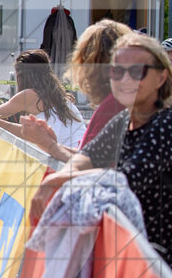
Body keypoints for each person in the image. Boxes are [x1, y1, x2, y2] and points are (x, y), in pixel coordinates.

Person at [30, 33, 172, 264]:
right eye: (117, 71)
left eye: (138, 71)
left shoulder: (165, 124)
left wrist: (56, 180)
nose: (126, 79)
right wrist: (60, 175)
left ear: (161, 77)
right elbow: (87, 156)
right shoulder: (124, 119)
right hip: (137, 260)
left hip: (160, 268)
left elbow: (126, 179)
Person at [21, 19, 132, 161]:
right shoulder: (120, 102)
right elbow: (87, 155)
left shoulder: (113, 106)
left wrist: (47, 143)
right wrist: (51, 142)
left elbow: (87, 164)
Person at [0, 49, 86, 148]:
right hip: (77, 153)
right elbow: (26, 132)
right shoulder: (59, 95)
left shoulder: (29, 96)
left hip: (61, 159)